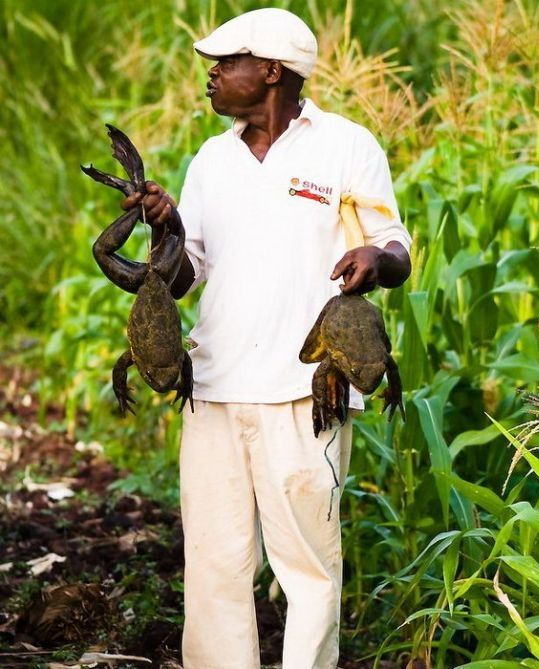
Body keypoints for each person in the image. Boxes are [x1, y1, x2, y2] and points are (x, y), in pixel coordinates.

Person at [122, 8, 411, 669]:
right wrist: (166, 228)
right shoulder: (211, 159)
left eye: (228, 63)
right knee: (216, 564)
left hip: (305, 391)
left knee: (309, 564)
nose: (213, 75)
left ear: (272, 72)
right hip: (215, 388)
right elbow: (186, 273)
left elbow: (396, 244)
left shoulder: (345, 145)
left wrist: (376, 258)